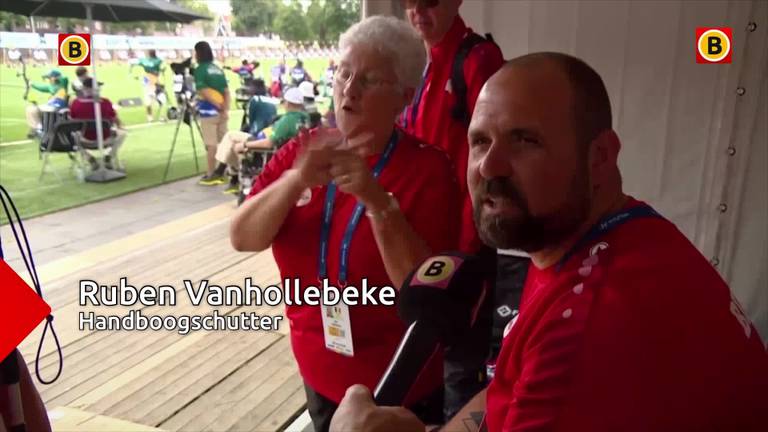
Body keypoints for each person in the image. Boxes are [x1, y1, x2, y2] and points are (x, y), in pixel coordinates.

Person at [329, 52, 768, 432]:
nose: (489, 167)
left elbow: (559, 376)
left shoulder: (592, 325)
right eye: (480, 142)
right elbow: (511, 393)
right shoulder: (604, 236)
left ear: (599, 158)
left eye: (525, 141)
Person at [230, 16, 462, 432]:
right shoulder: (302, 151)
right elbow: (242, 238)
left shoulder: (428, 169)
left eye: (370, 80)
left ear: (404, 97)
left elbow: (425, 295)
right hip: (317, 367)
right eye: (344, 72)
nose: (349, 89)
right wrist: (295, 180)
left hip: (398, 379)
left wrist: (378, 203)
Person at [401, 0, 507, 418]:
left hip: (461, 241)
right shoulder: (420, 62)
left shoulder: (477, 58)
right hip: (423, 235)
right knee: (423, 353)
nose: (417, 11)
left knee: (462, 361)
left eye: (430, 2)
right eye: (410, 2)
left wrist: (466, 250)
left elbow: (485, 160)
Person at [194, 41, 231, 186]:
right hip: (221, 113)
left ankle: (211, 173)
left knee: (211, 144)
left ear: (198, 53)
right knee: (226, 142)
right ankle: (229, 170)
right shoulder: (218, 69)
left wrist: (217, 106)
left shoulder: (200, 70)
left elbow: (203, 90)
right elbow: (226, 91)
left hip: (208, 112)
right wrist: (225, 109)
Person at [69, 78, 126, 171]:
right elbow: (115, 119)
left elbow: (72, 121)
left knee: (72, 136)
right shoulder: (105, 102)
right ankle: (109, 157)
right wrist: (119, 126)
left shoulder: (75, 103)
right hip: (105, 138)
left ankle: (89, 158)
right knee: (122, 133)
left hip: (85, 139)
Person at [25, 69, 70, 138]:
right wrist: (31, 83)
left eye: (49, 78)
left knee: (33, 109)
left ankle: (39, 130)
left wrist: (57, 78)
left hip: (57, 106)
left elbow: (65, 78)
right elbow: (41, 88)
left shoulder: (62, 84)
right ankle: (37, 129)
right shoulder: (50, 86)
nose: (49, 79)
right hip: (50, 106)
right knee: (31, 109)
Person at [132, 49, 163, 122]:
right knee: (155, 100)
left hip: (150, 81)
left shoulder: (146, 61)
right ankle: (154, 116)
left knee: (151, 100)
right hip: (152, 81)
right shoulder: (158, 61)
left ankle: (151, 116)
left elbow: (138, 64)